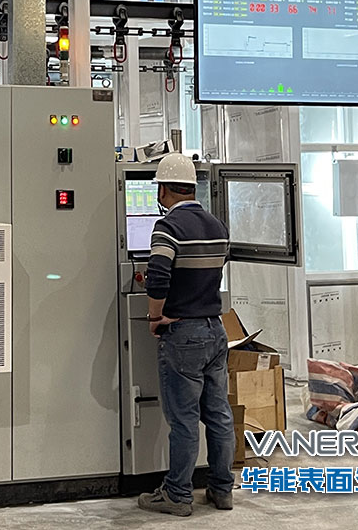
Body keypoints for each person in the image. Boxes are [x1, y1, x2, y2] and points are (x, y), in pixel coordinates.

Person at [137, 152, 235, 517]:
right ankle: (222, 490)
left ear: (163, 190)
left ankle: (177, 495)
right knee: (219, 415)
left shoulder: (168, 227)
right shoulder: (217, 225)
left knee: (183, 420)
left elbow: (158, 276)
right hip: (215, 330)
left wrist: (154, 316)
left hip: (183, 334)